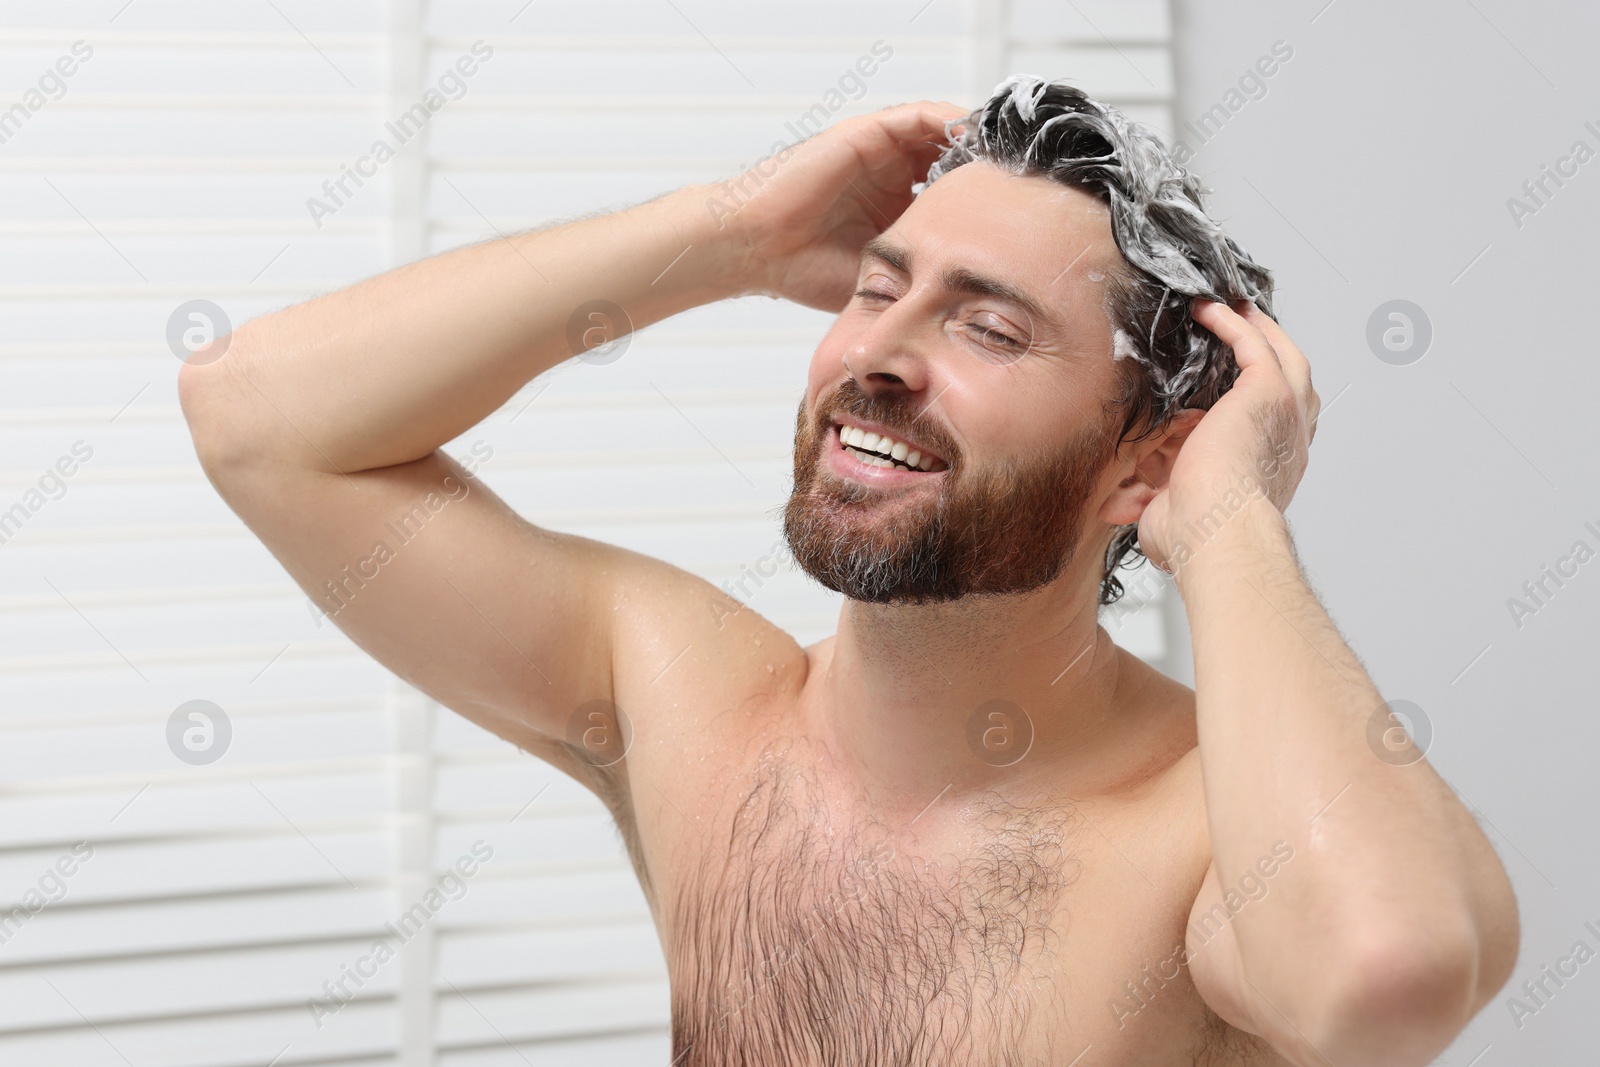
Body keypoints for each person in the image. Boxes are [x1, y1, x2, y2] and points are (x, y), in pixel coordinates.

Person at [178, 76, 1518, 1066]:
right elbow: (258, 422)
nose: (880, 353)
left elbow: (1383, 976)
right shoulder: (689, 706)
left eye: (990, 326)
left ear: (1140, 468)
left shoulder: (1203, 835)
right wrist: (735, 239)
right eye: (879, 291)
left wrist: (1230, 523)